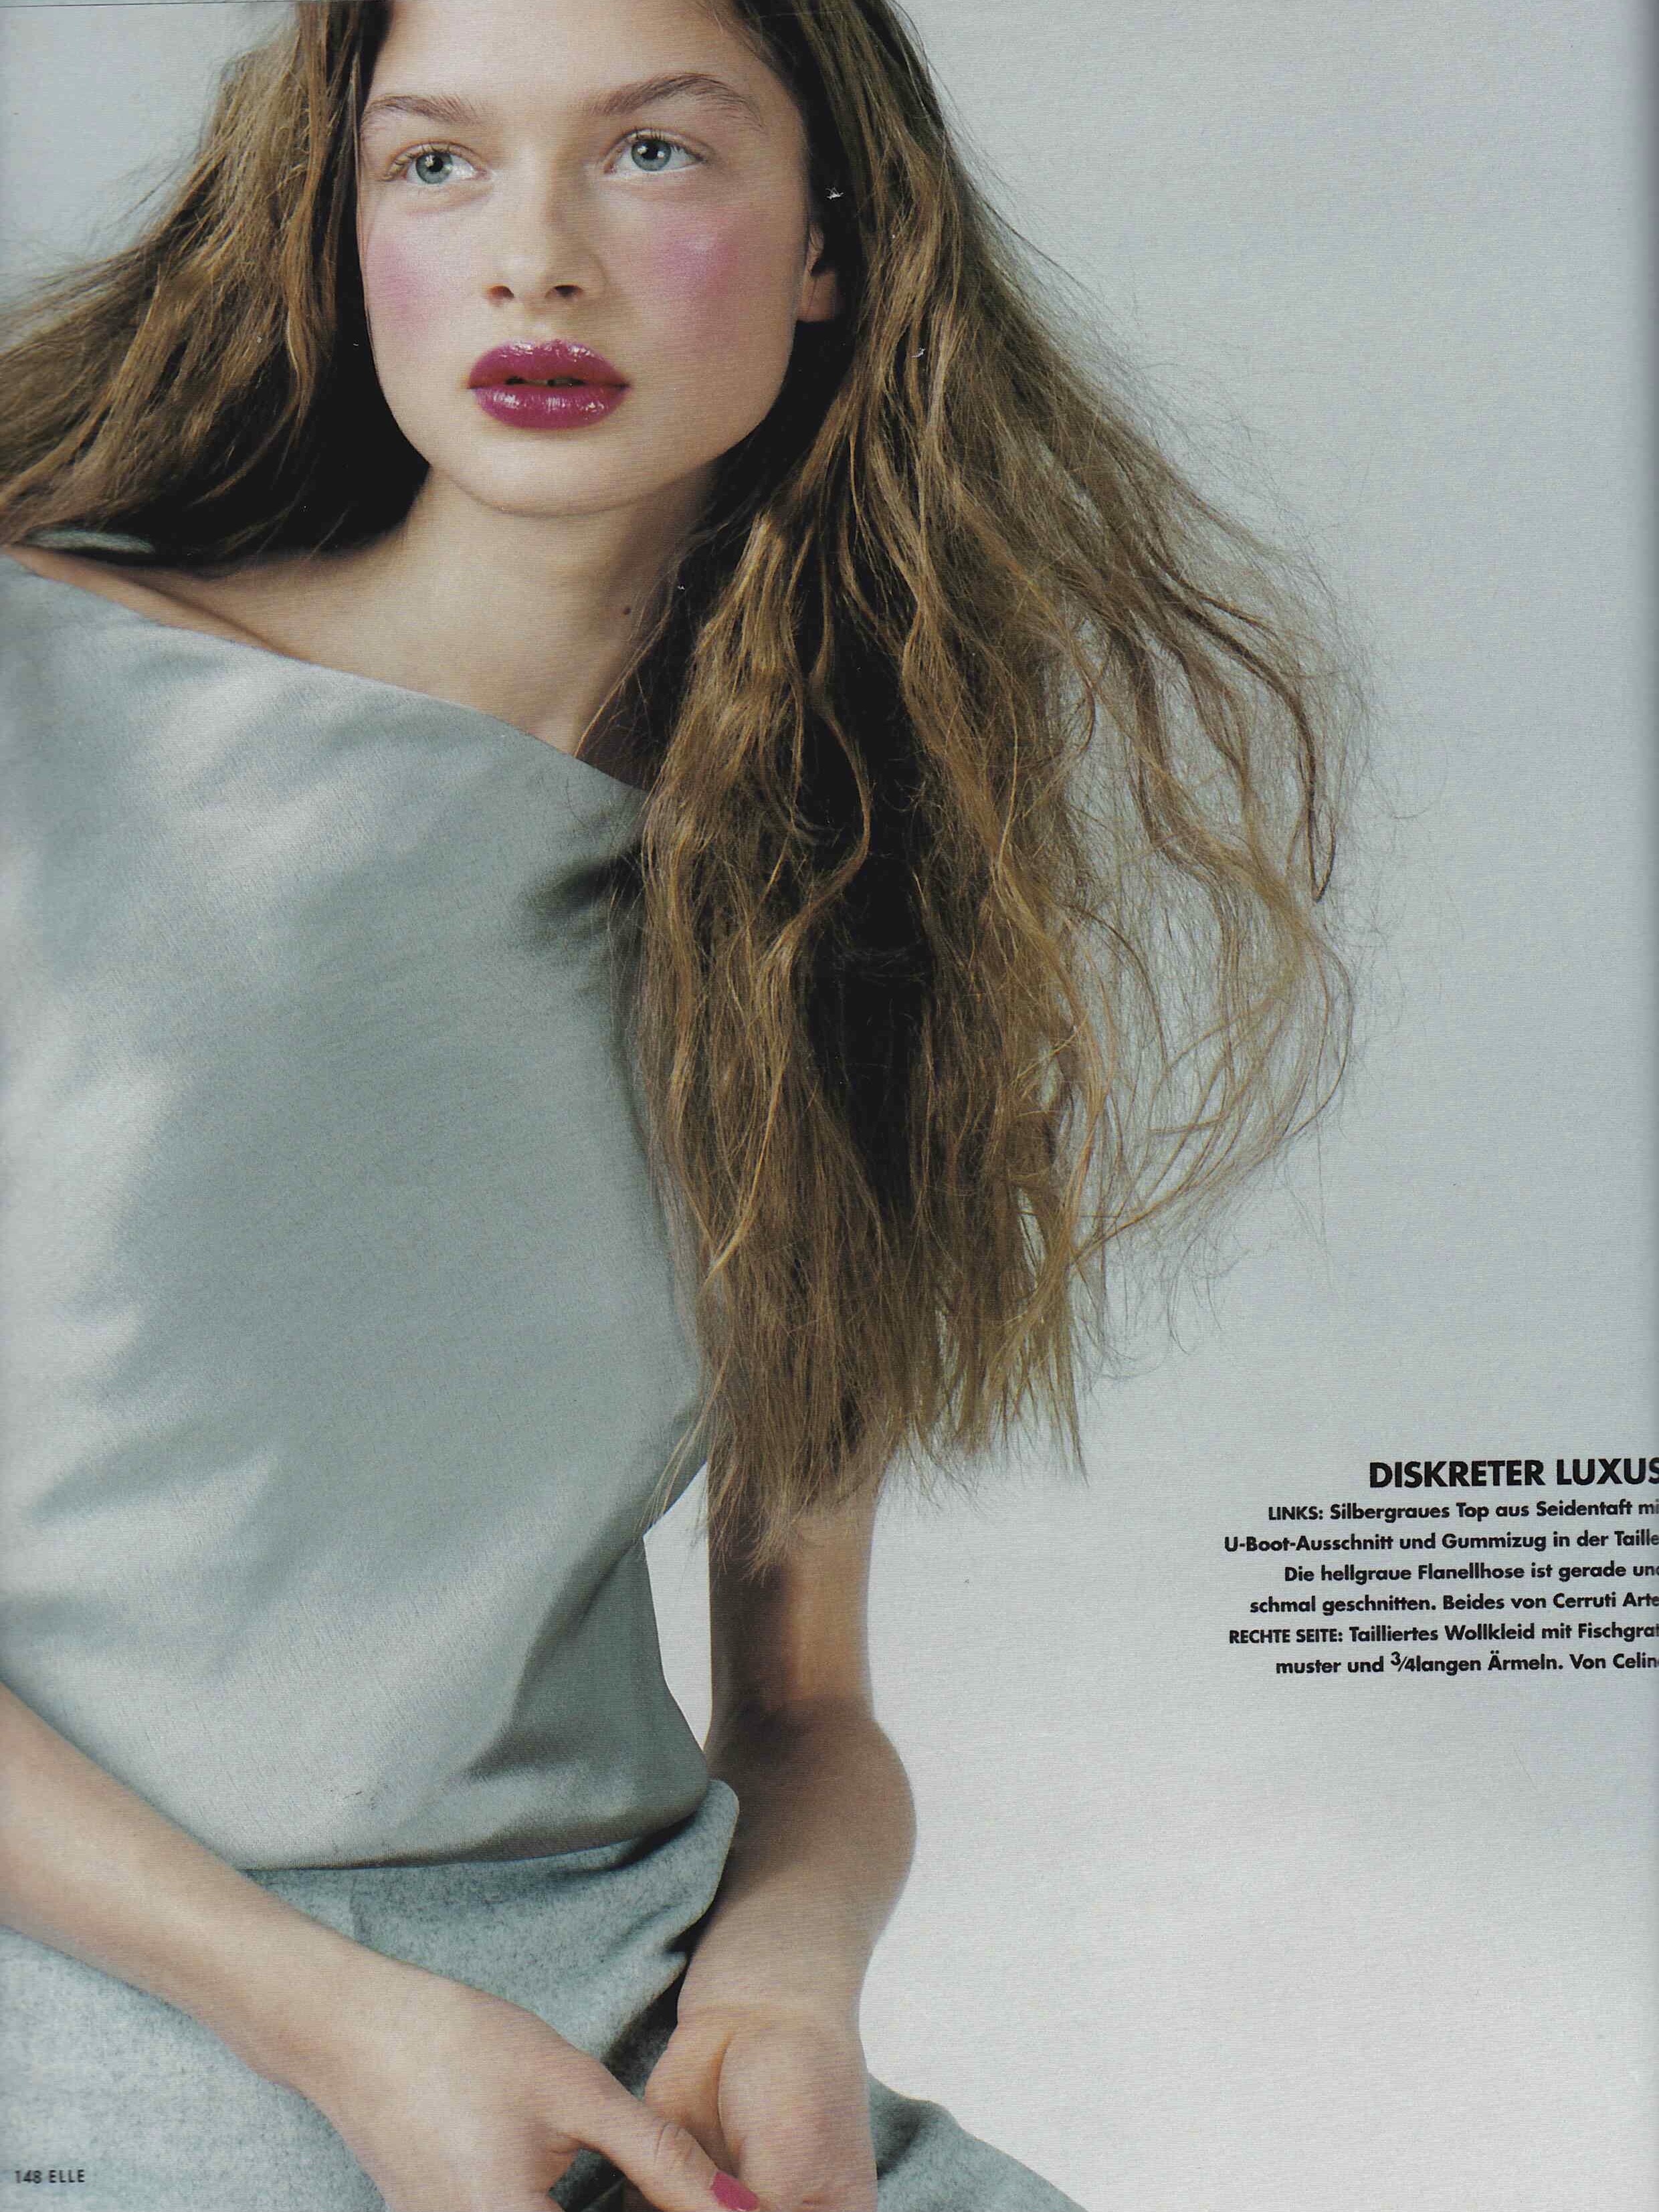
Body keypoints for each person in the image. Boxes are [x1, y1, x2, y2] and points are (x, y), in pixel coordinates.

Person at [0, 1, 1359, 2207]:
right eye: (435, 163)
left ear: (832, 240)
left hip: (626, 2043)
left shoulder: (841, 904)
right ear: (340, 231)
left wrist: (781, 1998)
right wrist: (342, 2026)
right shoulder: (34, 702)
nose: (534, 254)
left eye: (651, 153)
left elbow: (804, 1711)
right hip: (103, 2017)